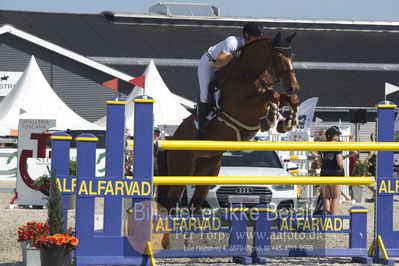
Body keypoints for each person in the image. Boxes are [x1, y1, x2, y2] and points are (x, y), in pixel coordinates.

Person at [196, 22, 264, 139]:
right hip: (209, 65)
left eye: (260, 37)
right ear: (247, 36)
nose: (258, 40)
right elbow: (219, 62)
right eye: (256, 37)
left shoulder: (251, 48)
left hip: (224, 67)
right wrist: (234, 55)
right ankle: (200, 129)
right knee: (205, 95)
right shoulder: (232, 42)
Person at [316, 126, 344, 215]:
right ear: (334, 136)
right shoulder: (337, 145)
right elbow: (339, 162)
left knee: (326, 197)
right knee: (335, 197)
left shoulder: (322, 144)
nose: (339, 137)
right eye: (338, 135)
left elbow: (320, 163)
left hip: (324, 172)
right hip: (336, 172)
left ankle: (327, 218)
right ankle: (333, 219)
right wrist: (342, 166)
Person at [364, 133, 377, 201]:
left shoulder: (372, 143)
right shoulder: (378, 143)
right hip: (375, 161)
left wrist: (366, 160)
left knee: (371, 179)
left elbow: (371, 153)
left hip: (372, 162)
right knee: (373, 179)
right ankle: (374, 196)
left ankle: (375, 196)